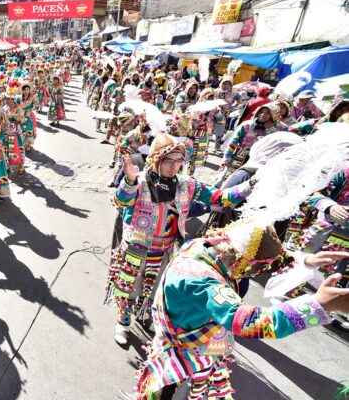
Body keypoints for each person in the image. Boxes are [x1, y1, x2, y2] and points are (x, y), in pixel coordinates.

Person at [134, 222, 349, 400]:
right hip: (181, 358)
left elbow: (268, 258)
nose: (253, 273)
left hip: (198, 345)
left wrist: (305, 260)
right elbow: (249, 322)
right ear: (238, 259)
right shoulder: (202, 280)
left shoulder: (206, 245)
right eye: (253, 269)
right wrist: (319, 305)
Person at [106, 133, 254, 346]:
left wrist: (250, 185)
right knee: (129, 286)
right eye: (168, 160)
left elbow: (220, 197)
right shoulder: (139, 182)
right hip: (135, 248)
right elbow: (120, 200)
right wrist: (128, 180)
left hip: (165, 249)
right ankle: (123, 321)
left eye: (178, 161)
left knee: (157, 289)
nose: (173, 166)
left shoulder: (187, 184)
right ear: (156, 159)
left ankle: (146, 313)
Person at [216, 103, 288, 187]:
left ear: (273, 115)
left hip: (258, 163)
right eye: (261, 112)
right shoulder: (247, 125)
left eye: (267, 113)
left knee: (245, 187)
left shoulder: (279, 129)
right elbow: (232, 143)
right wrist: (227, 159)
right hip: (237, 159)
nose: (262, 115)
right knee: (224, 182)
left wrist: (270, 129)